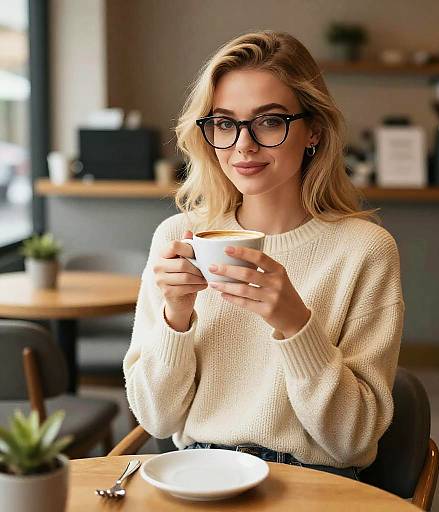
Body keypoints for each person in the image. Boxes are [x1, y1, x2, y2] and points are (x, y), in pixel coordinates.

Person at [123, 31, 404, 479]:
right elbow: (156, 420)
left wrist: (296, 325)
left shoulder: (365, 251)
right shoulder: (179, 237)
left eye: (270, 121)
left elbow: (352, 440)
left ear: (313, 130)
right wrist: (175, 318)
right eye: (224, 123)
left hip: (314, 482)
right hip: (200, 474)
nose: (243, 145)